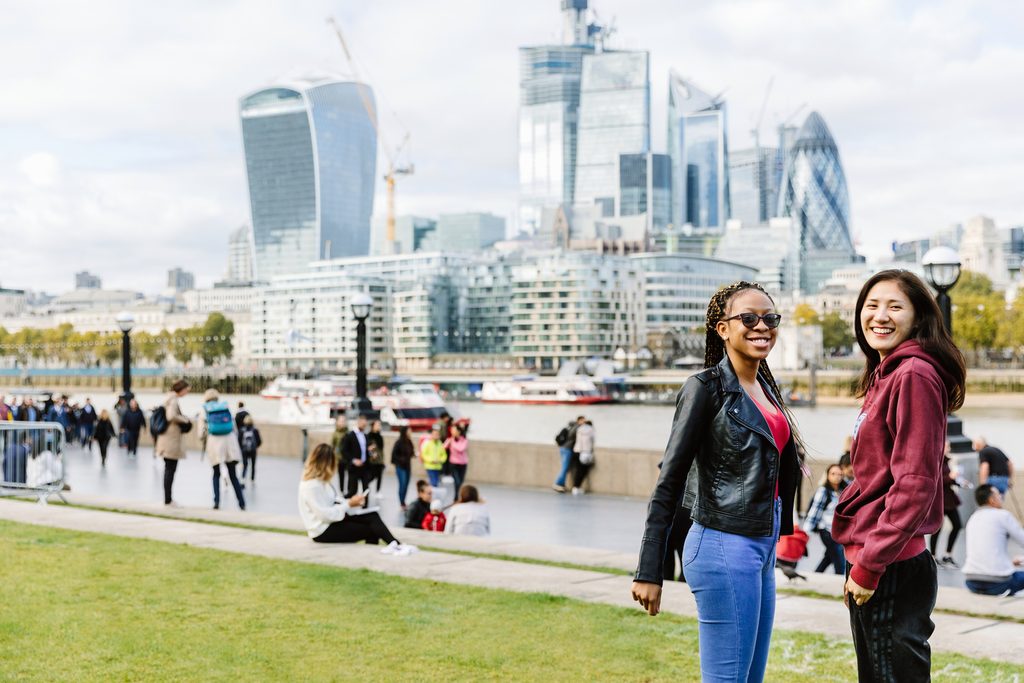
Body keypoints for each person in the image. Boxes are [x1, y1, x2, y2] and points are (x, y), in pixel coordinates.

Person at [632, 280, 802, 683]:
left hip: (759, 547)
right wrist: (649, 568)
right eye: (748, 318)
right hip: (723, 545)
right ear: (723, 328)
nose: (762, 326)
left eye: (770, 318)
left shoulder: (764, 387)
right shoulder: (705, 389)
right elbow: (669, 480)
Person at [831, 269, 967, 682]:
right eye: (871, 306)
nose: (879, 315)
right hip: (877, 552)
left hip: (890, 561)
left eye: (894, 306)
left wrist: (870, 564)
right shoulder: (887, 373)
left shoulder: (913, 375)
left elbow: (916, 482)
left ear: (918, 316)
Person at [298, 443, 413, 553]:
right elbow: (325, 515)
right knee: (372, 530)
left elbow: (334, 502)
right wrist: (349, 504)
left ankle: (396, 545)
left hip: (332, 522)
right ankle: (395, 547)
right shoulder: (312, 486)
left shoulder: (322, 482)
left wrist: (352, 501)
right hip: (322, 531)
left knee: (372, 516)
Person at [961, 484, 1024, 596]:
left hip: (971, 582)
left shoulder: (973, 517)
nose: (1001, 496)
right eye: (998, 494)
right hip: (998, 583)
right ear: (992, 500)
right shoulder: (1003, 515)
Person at [200, 389, 245, 511]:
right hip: (229, 443)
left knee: (216, 473)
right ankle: (241, 503)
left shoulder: (205, 409)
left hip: (214, 444)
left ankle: (217, 502)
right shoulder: (225, 407)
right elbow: (234, 428)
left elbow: (201, 433)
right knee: (233, 475)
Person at [802, 464, 847, 574]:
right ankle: (840, 584)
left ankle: (816, 575)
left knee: (829, 557)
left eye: (840, 474)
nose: (837, 476)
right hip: (826, 531)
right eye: (833, 474)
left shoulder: (843, 491)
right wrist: (806, 532)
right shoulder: (823, 491)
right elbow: (815, 511)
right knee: (840, 561)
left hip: (838, 531)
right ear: (827, 475)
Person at [155, 379, 193, 507]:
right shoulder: (173, 400)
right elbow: (171, 416)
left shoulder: (168, 398)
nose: (187, 393)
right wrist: (185, 419)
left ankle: (168, 498)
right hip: (171, 440)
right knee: (170, 469)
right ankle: (168, 499)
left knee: (168, 469)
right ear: (181, 389)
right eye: (187, 390)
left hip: (166, 439)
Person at [930, 442, 963, 568]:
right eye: (947, 446)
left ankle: (947, 554)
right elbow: (936, 480)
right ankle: (932, 556)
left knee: (957, 525)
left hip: (949, 499)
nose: (949, 449)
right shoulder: (936, 461)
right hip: (940, 500)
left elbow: (947, 479)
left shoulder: (946, 461)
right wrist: (950, 477)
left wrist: (958, 481)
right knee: (937, 528)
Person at [340, 414, 370, 497]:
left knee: (366, 489)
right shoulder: (350, 435)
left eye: (365, 425)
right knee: (352, 490)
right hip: (354, 467)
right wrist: (353, 460)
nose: (364, 426)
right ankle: (344, 506)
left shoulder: (365, 435)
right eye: (363, 424)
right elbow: (344, 451)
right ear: (358, 422)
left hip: (364, 466)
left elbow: (365, 449)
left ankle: (365, 508)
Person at [553, 416, 584, 493]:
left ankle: (562, 484)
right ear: (578, 421)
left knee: (565, 466)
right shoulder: (576, 428)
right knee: (565, 467)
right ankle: (558, 483)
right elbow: (572, 437)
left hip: (563, 448)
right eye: (582, 420)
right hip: (568, 449)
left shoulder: (568, 427)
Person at [391, 426, 415, 509]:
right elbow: (394, 455)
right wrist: (402, 460)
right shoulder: (399, 442)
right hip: (401, 467)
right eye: (409, 430)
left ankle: (403, 501)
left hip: (407, 466)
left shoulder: (409, 441)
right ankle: (401, 502)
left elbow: (411, 452)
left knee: (406, 484)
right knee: (403, 484)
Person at [570, 419, 595, 495]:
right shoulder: (591, 430)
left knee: (577, 470)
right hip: (585, 452)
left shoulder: (579, 429)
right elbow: (593, 441)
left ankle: (575, 487)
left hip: (577, 451)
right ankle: (577, 487)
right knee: (583, 471)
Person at [444, 424, 469, 497]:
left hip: (463, 463)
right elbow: (444, 447)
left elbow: (461, 449)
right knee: (457, 481)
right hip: (453, 463)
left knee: (461, 481)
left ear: (458, 431)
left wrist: (452, 442)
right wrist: (449, 441)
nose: (452, 432)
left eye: (454, 430)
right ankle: (456, 496)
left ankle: (458, 495)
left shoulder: (464, 440)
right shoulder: (450, 439)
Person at [238, 415, 262, 483]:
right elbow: (259, 441)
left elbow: (239, 441)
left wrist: (242, 448)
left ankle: (243, 478)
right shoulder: (255, 430)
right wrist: (255, 446)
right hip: (253, 450)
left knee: (245, 465)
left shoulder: (242, 430)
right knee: (253, 465)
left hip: (244, 450)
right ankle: (252, 479)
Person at [366, 419, 386, 492]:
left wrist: (383, 460)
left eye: (379, 425)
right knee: (372, 476)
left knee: (380, 476)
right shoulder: (368, 436)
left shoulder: (380, 437)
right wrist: (371, 453)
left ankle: (378, 491)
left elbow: (381, 450)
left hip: (379, 459)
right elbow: (366, 448)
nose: (379, 426)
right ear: (373, 426)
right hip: (372, 460)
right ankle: (365, 486)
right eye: (377, 425)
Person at [331, 415, 349, 494]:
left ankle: (349, 490)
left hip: (348, 457)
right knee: (341, 475)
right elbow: (333, 446)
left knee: (350, 475)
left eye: (344, 421)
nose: (342, 423)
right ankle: (341, 490)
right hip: (340, 458)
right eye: (341, 421)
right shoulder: (335, 434)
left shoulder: (348, 433)